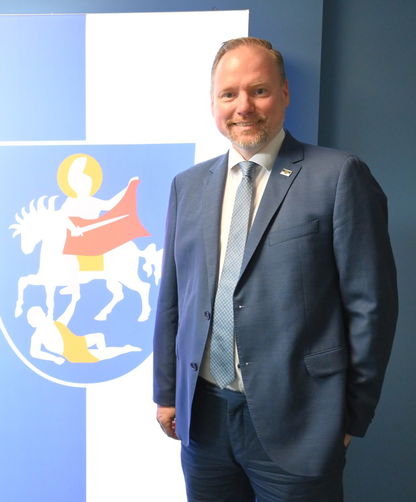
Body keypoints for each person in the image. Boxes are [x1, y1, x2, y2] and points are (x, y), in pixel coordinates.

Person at [153, 37, 397, 501]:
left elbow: (372, 307)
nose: (243, 106)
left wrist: (349, 415)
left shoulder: (339, 176)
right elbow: (173, 297)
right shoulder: (188, 186)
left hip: (301, 423)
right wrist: (168, 391)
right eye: (229, 94)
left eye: (258, 91)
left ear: (285, 93)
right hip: (204, 419)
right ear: (213, 103)